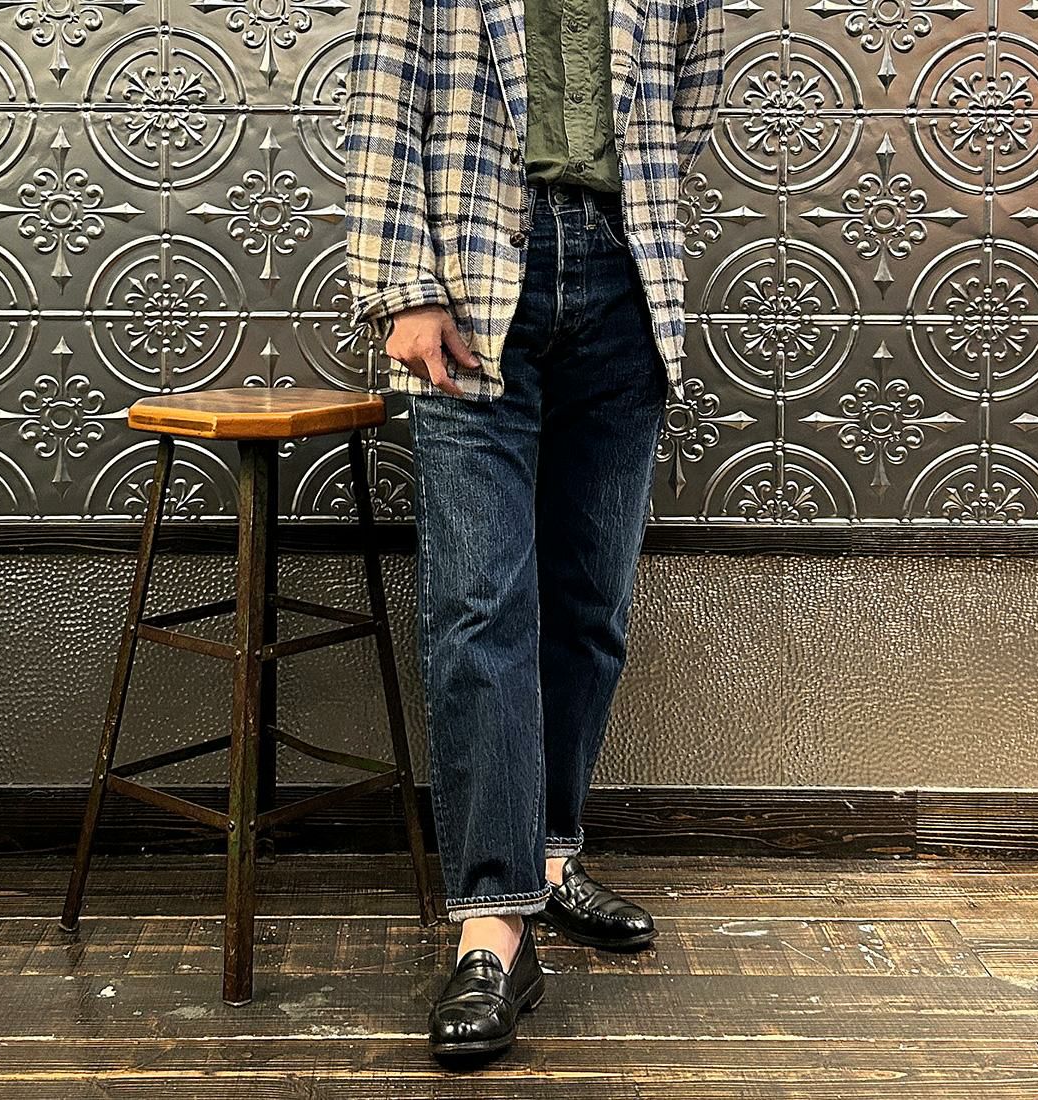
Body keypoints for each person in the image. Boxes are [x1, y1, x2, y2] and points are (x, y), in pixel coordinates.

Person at [342, 0, 725, 1063]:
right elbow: (383, 99)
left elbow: (689, 90)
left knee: (590, 603)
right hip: (475, 275)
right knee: (480, 606)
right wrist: (402, 287)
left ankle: (550, 857)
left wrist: (638, 208)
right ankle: (492, 927)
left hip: (623, 272)